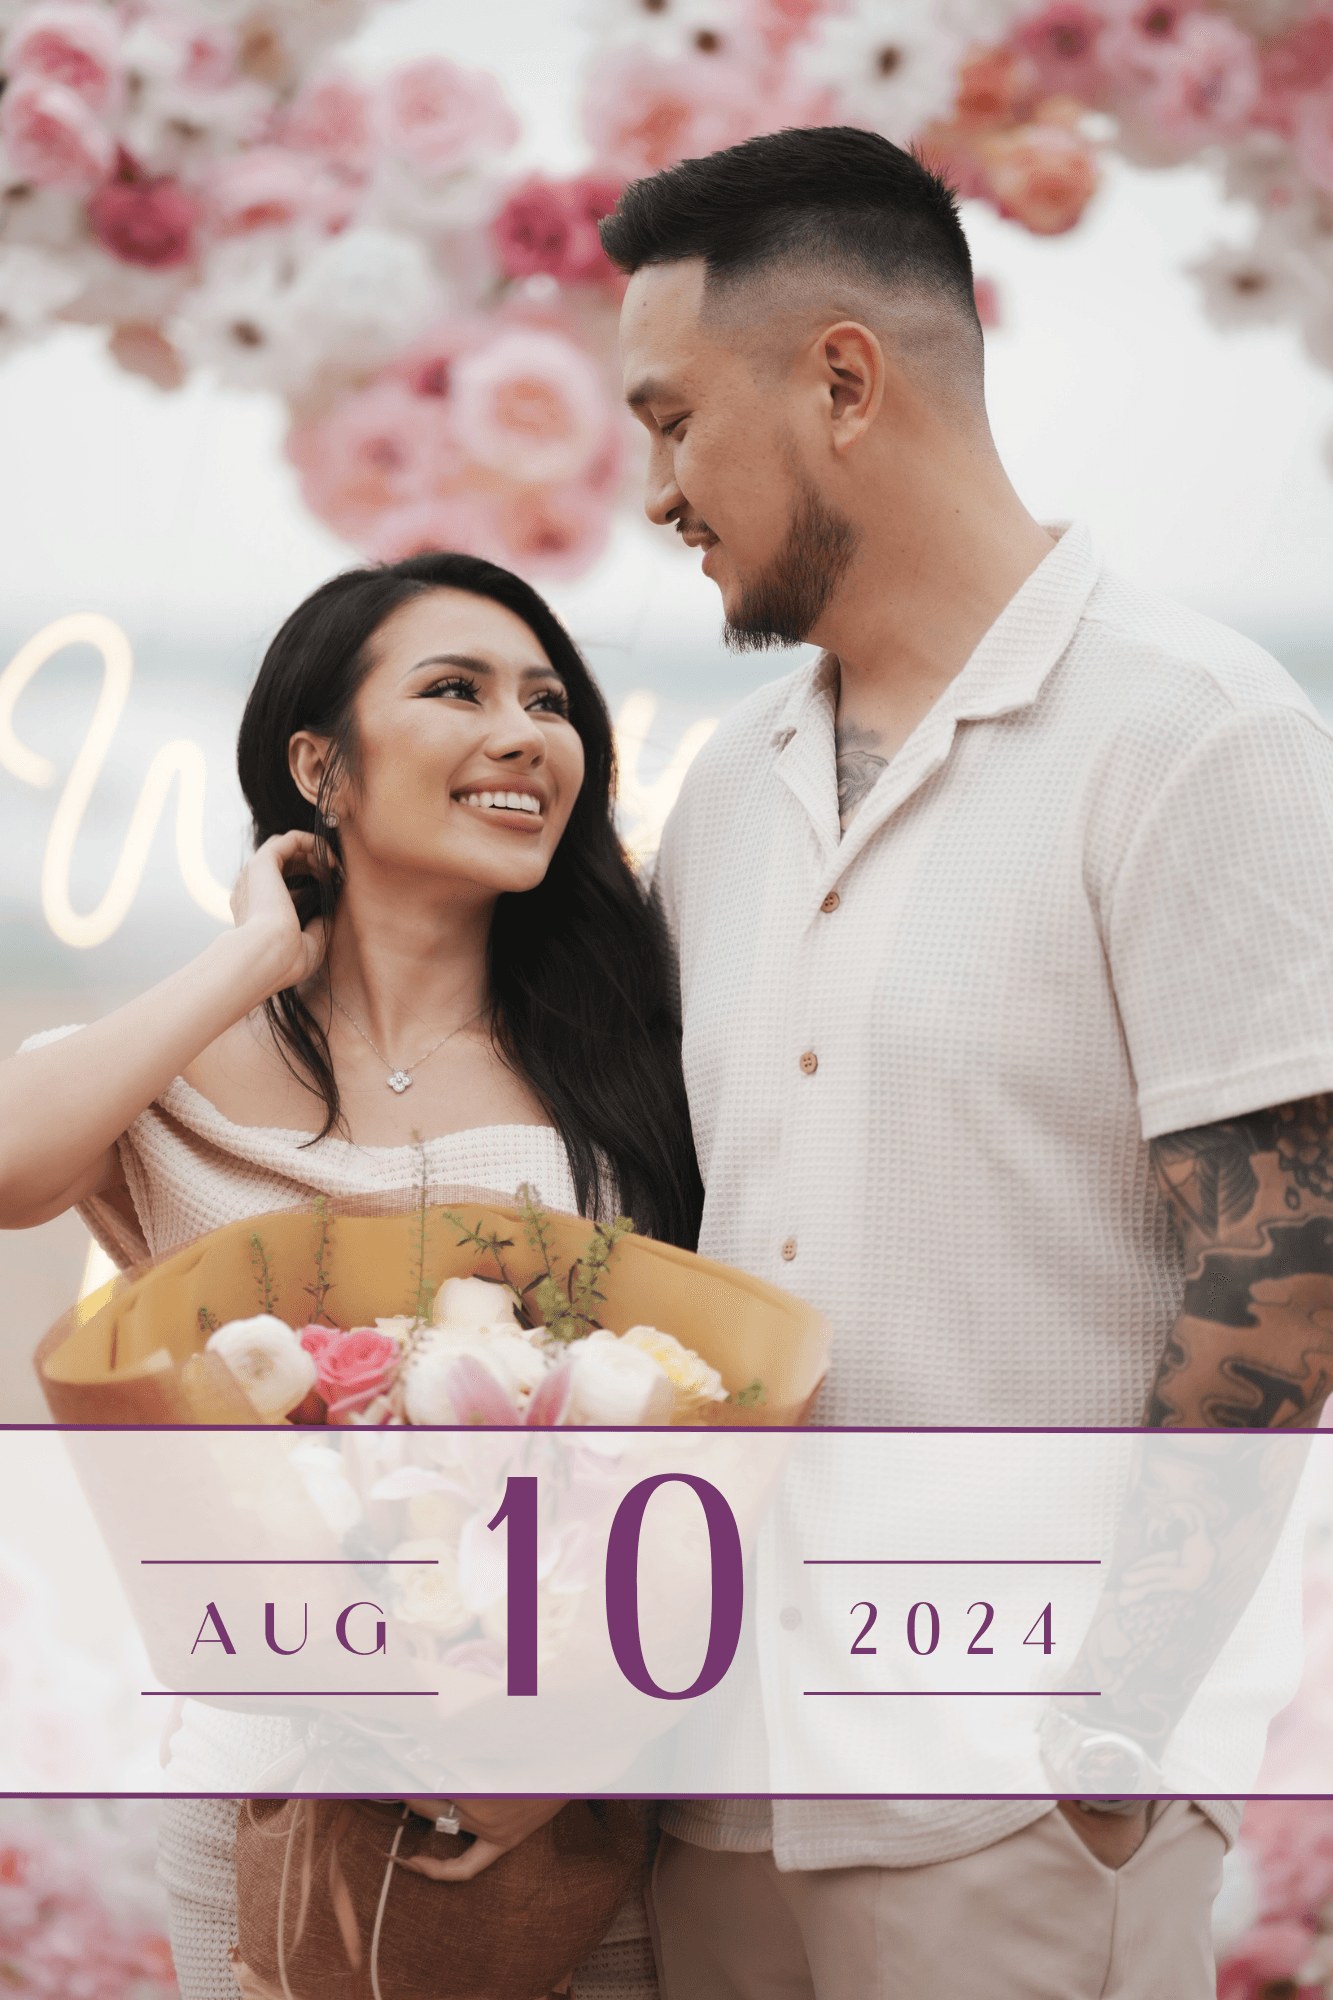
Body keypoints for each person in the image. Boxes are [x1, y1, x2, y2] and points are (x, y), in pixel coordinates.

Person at [599, 125, 1333, 1999]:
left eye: (673, 419)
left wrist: (1106, 1732)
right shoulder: (733, 800)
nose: (655, 489)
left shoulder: (1195, 735)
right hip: (722, 1783)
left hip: (1004, 1797)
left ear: (844, 378)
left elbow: (1293, 1264)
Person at [0, 551, 700, 2000]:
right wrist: (250, 960)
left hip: (564, 1789)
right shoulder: (187, 1057)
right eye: (455, 689)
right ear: (319, 767)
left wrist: (561, 1751)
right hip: (267, 1772)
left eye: (549, 699)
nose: (523, 732)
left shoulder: (631, 1056)